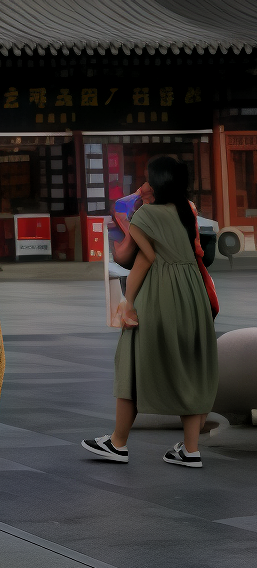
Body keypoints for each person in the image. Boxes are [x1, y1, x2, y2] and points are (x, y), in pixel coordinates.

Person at [83, 156, 219, 468]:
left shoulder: (146, 215)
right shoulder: (189, 211)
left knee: (131, 361)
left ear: (156, 182)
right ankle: (191, 449)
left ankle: (118, 443)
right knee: (191, 366)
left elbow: (136, 257)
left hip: (159, 294)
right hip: (193, 294)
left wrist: (127, 301)